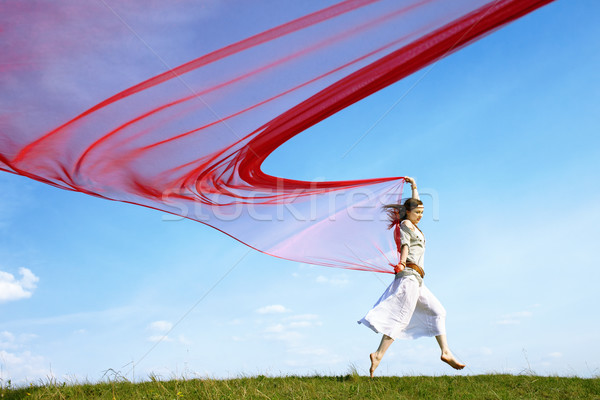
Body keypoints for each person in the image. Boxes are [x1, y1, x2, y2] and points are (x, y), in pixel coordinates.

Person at [358, 177, 465, 377]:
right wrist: (401, 261)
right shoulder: (406, 224)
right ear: (408, 212)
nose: (420, 215)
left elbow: (415, 202)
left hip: (418, 280)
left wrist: (414, 185)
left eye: (422, 212)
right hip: (409, 276)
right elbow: (405, 245)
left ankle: (445, 351)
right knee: (400, 317)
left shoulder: (414, 224)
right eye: (418, 212)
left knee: (438, 312)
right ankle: (378, 355)